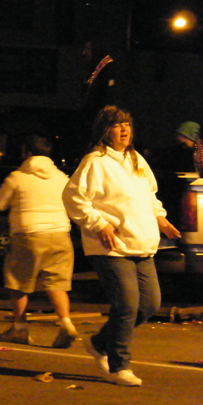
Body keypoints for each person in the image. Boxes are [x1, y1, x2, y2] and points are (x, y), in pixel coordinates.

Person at [63, 105, 181, 387]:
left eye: (127, 123)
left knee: (149, 304)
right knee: (127, 304)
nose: (124, 129)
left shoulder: (135, 159)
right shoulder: (96, 161)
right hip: (111, 246)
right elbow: (73, 197)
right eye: (117, 125)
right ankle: (119, 366)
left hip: (141, 242)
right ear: (105, 130)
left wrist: (161, 218)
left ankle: (99, 342)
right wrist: (99, 224)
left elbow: (149, 194)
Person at [0, 134, 79, 347]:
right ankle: (65, 323)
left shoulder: (18, 177)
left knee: (19, 282)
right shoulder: (62, 178)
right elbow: (73, 205)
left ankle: (20, 328)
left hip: (28, 235)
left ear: (27, 153)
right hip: (60, 234)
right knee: (57, 283)